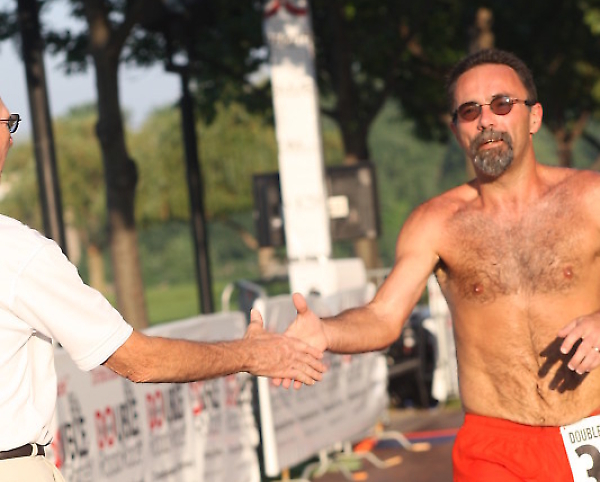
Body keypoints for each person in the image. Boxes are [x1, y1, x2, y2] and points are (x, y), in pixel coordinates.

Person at [282, 48, 600, 481]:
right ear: (457, 130)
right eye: (470, 111)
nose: (486, 120)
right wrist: (325, 331)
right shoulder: (435, 222)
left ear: (534, 117)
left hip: (591, 427)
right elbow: (383, 317)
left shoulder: (589, 197)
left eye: (502, 104)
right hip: (495, 450)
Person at [0, 103, 325, 481]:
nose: (11, 138)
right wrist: (250, 354)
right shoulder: (19, 252)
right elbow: (139, 361)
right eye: (8, 123)